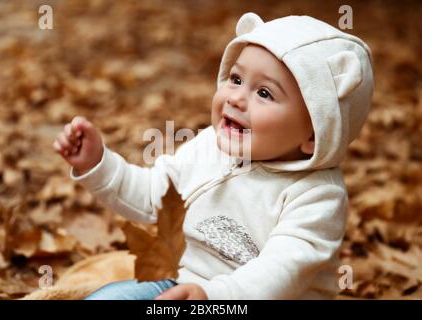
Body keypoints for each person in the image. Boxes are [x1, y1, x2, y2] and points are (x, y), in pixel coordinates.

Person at [53, 12, 374, 300]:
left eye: (264, 93)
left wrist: (213, 295)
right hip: (182, 286)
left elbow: (281, 270)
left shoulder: (316, 195)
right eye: (236, 79)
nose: (236, 98)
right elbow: (154, 196)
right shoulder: (208, 146)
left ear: (314, 133)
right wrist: (99, 164)